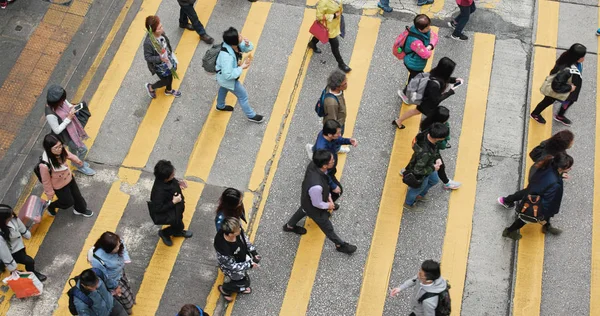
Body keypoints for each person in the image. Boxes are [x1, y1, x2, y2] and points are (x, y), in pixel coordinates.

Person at [283, 150, 357, 254]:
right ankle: (340, 245)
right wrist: (329, 204)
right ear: (325, 165)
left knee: (304, 209)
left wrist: (329, 196)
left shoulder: (314, 165)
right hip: (314, 208)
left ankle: (289, 226)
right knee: (327, 227)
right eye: (331, 161)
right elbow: (317, 204)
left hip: (307, 200)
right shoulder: (316, 187)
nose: (333, 161)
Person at [500, 152, 573, 240]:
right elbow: (547, 202)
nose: (570, 168)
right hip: (536, 203)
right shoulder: (554, 183)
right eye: (569, 167)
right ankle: (509, 231)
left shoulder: (548, 162)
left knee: (544, 217)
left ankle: (547, 226)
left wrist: (559, 175)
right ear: (560, 168)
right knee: (525, 219)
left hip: (532, 191)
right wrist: (542, 214)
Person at [498, 129, 574, 210]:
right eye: (571, 142)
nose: (572, 143)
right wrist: (560, 174)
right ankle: (506, 200)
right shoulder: (554, 157)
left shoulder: (550, 144)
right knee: (529, 192)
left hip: (537, 172)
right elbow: (552, 171)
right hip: (538, 177)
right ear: (563, 145)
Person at [394, 57, 462, 129]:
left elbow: (443, 78)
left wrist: (454, 80)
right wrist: (450, 92)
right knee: (421, 113)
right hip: (427, 104)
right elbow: (436, 99)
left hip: (425, 99)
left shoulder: (435, 72)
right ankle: (401, 121)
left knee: (415, 111)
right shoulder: (434, 85)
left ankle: (399, 121)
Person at [215, 27, 264, 123]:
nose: (241, 36)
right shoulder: (227, 58)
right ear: (234, 42)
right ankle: (251, 115)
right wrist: (241, 67)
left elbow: (248, 48)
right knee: (243, 96)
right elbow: (228, 75)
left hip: (223, 78)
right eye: (239, 36)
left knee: (224, 88)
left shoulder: (232, 45)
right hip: (227, 79)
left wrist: (247, 44)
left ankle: (220, 106)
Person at [45, 84, 96, 176]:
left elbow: (67, 105)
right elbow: (56, 130)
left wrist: (72, 107)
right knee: (83, 149)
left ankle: (74, 161)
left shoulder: (61, 101)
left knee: (74, 148)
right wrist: (68, 118)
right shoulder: (50, 114)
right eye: (62, 100)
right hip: (65, 135)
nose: (64, 101)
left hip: (72, 129)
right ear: (56, 102)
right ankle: (80, 166)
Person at [530, 43, 586, 125]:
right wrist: (570, 88)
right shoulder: (567, 70)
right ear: (577, 58)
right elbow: (556, 85)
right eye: (582, 57)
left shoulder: (567, 57)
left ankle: (560, 116)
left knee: (567, 102)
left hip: (568, 88)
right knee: (548, 100)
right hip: (563, 90)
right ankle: (535, 114)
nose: (584, 58)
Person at [39, 134, 93, 217]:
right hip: (59, 186)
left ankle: (80, 209)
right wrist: (50, 194)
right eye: (56, 148)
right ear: (49, 149)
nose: (59, 149)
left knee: (77, 196)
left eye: (60, 145)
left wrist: (78, 161)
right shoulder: (44, 165)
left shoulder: (62, 150)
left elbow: (69, 155)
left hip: (69, 178)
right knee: (67, 202)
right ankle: (51, 206)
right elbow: (46, 181)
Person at [306, 120, 357, 202]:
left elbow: (337, 139)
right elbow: (323, 172)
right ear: (330, 135)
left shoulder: (326, 134)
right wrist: (333, 186)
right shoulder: (322, 149)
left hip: (330, 168)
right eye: (338, 133)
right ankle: (326, 204)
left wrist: (348, 141)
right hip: (327, 171)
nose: (340, 135)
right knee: (338, 190)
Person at [403, 123, 450, 209]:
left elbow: (434, 149)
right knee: (416, 189)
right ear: (438, 138)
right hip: (420, 174)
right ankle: (408, 203)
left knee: (434, 180)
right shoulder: (425, 153)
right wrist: (433, 168)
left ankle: (420, 195)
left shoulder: (426, 134)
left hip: (428, 164)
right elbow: (418, 170)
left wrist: (437, 157)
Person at [214, 217, 260, 302]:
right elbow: (232, 266)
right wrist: (249, 265)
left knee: (243, 278)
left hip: (241, 259)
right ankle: (225, 289)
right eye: (238, 229)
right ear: (230, 234)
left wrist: (253, 252)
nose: (240, 229)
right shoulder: (223, 249)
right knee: (243, 282)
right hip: (232, 268)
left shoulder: (237, 231)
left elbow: (245, 240)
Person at [89, 232, 135, 315]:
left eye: (118, 244)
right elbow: (104, 277)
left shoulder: (116, 241)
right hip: (114, 281)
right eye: (116, 247)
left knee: (126, 291)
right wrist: (115, 286)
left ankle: (128, 307)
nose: (119, 247)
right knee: (123, 297)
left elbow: (122, 246)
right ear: (108, 249)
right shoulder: (97, 260)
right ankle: (127, 311)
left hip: (120, 274)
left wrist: (126, 258)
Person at [150, 160, 192, 247]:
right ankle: (165, 233)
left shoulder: (165, 179)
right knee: (179, 225)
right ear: (165, 178)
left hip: (177, 208)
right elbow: (157, 208)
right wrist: (173, 202)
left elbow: (171, 181)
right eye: (172, 175)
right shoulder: (158, 192)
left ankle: (176, 231)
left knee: (179, 221)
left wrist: (178, 182)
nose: (174, 175)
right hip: (171, 211)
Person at [397, 14, 439, 102]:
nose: (429, 29)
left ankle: (408, 91)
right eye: (427, 28)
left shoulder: (416, 29)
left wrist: (430, 45)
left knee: (414, 77)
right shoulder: (415, 42)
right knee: (416, 78)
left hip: (415, 61)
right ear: (420, 29)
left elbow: (434, 36)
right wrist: (429, 47)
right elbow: (426, 54)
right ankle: (405, 95)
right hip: (413, 64)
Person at [0, 205, 47, 282]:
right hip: (12, 252)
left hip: (18, 246)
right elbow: (4, 252)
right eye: (9, 216)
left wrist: (25, 233)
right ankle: (33, 273)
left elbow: (19, 224)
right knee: (30, 261)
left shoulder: (12, 218)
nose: (12, 216)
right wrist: (12, 266)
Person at [419, 106, 461, 190]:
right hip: (433, 150)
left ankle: (407, 169)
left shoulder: (426, 123)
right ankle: (446, 183)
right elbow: (442, 146)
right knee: (441, 166)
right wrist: (444, 141)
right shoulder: (438, 132)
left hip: (425, 147)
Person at [144, 15, 182, 99]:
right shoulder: (148, 43)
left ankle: (168, 90)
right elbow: (147, 57)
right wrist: (159, 58)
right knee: (166, 80)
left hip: (168, 60)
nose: (162, 29)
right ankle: (151, 87)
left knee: (171, 75)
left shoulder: (161, 34)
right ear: (153, 31)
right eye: (159, 28)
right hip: (159, 66)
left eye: (161, 26)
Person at [308, 0, 351, 73]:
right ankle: (341, 63)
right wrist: (333, 16)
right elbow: (319, 16)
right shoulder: (323, 2)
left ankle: (312, 43)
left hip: (336, 23)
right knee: (335, 45)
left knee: (319, 36)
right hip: (328, 28)